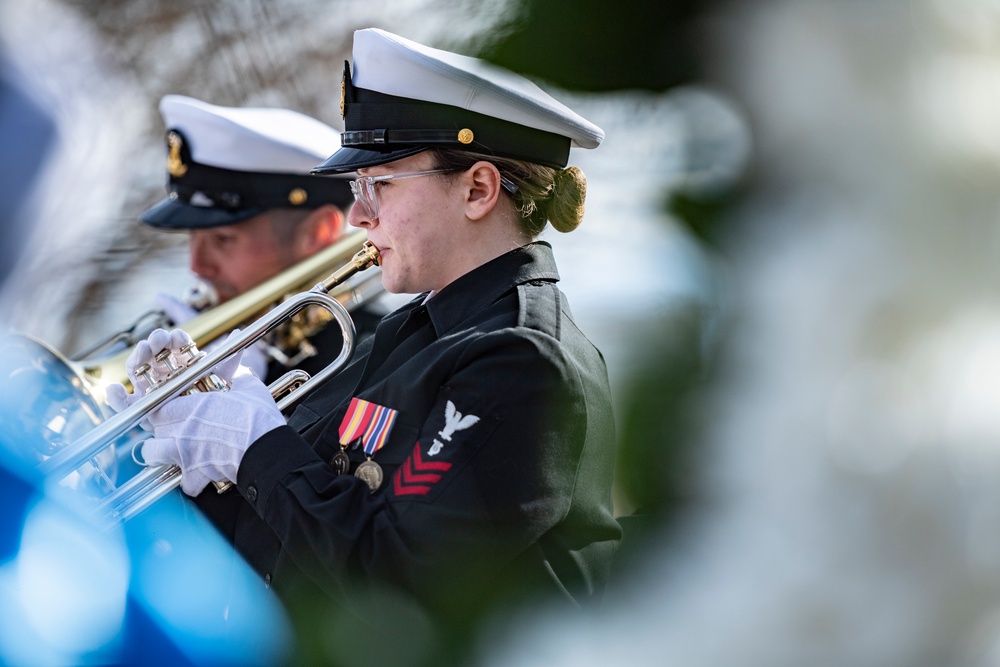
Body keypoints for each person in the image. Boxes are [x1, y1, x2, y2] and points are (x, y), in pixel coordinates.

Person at [110, 28, 621, 663]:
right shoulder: (420, 330)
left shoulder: (521, 357)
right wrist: (177, 439)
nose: (357, 218)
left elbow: (400, 582)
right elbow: (297, 539)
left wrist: (254, 450)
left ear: (479, 189)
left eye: (379, 185)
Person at [139, 95, 385, 384]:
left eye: (222, 239)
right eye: (193, 237)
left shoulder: (372, 359)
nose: (197, 266)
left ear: (319, 233)